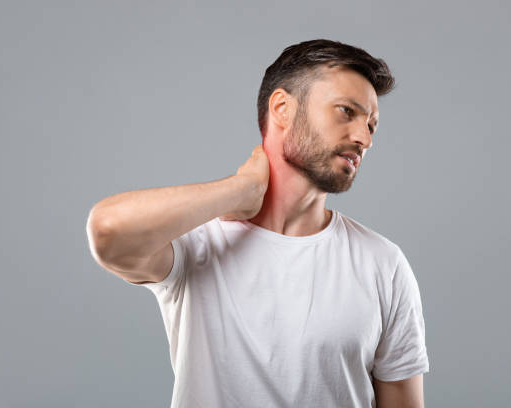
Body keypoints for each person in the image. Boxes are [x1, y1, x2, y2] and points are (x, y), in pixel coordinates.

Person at [86, 39, 430, 408]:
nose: (364, 138)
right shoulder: (197, 245)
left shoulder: (383, 264)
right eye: (346, 112)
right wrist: (241, 190)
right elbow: (107, 229)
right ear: (282, 108)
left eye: (371, 125)